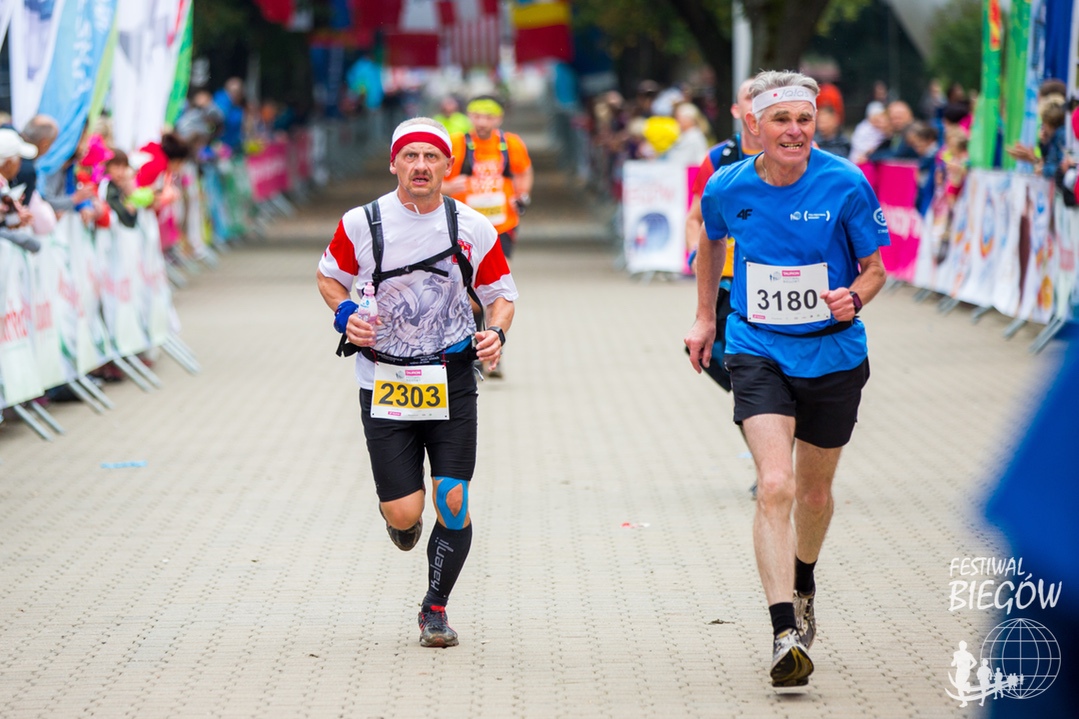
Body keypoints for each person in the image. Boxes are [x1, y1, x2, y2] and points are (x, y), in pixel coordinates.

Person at [684, 70, 889, 688]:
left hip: (832, 354)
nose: (795, 131)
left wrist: (855, 296)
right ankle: (783, 634)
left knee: (814, 495)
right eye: (782, 119)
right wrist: (704, 317)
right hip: (756, 348)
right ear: (755, 124)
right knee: (775, 484)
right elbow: (711, 243)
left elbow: (876, 268)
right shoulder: (727, 185)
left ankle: (804, 582)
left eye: (805, 119)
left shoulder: (845, 182)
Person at [316, 117, 517, 648]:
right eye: (411, 156)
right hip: (384, 378)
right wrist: (345, 316)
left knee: (452, 499)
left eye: (432, 157)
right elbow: (329, 277)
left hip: (452, 377)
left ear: (449, 166)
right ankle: (403, 524)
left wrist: (495, 332)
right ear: (394, 163)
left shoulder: (472, 226)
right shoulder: (362, 222)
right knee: (405, 512)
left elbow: (501, 293)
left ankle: (435, 608)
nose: (421, 166)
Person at [443, 95, 532, 378]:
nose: (482, 122)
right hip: (464, 228)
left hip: (501, 227)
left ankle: (493, 351)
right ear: (469, 116)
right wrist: (447, 187)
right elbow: (433, 180)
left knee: (495, 290)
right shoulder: (457, 144)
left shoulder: (510, 144)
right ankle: (474, 352)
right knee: (471, 298)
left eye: (488, 117)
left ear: (499, 118)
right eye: (477, 116)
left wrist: (522, 195)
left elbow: (524, 171)